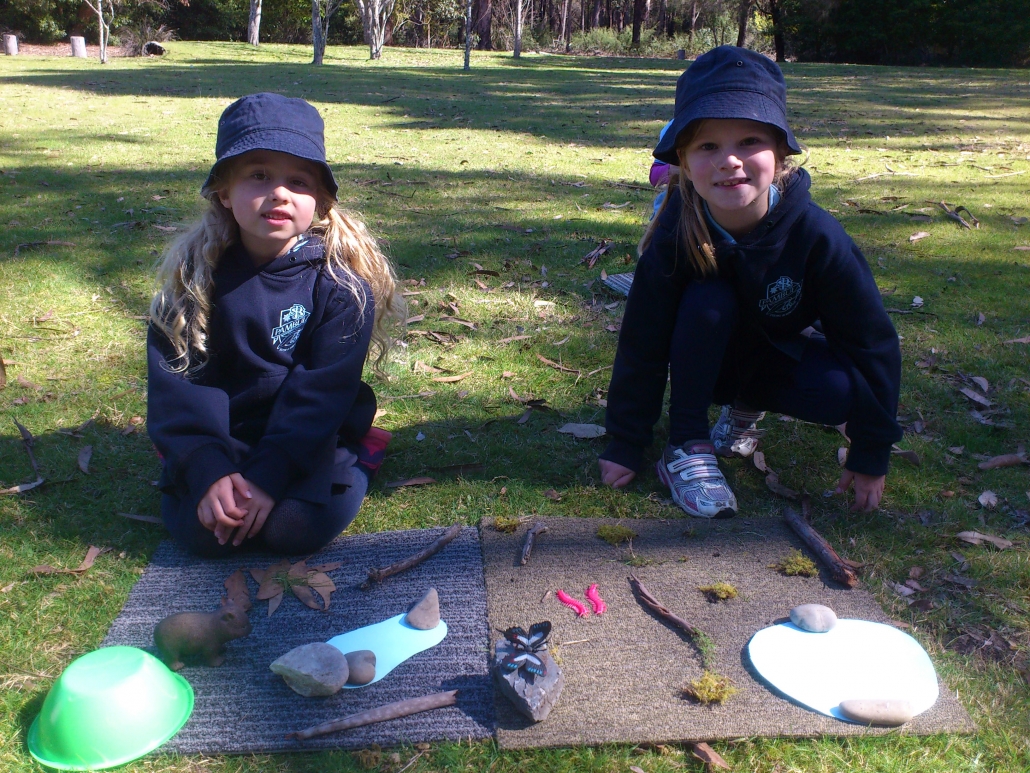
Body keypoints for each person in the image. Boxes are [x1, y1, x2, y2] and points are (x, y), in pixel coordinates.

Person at [598, 46, 901, 518]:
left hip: (767, 358)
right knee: (710, 298)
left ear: (780, 151)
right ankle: (687, 444)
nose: (729, 161)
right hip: (702, 358)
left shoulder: (817, 236)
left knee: (844, 389)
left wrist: (872, 446)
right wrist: (625, 440)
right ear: (683, 158)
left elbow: (871, 341)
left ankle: (742, 412)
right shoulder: (677, 232)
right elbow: (643, 341)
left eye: (748, 142)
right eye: (707, 146)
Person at [147, 93, 401, 557]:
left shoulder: (341, 288)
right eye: (258, 175)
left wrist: (268, 477)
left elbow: (321, 394)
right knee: (205, 535)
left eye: (298, 180)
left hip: (307, 438)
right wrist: (208, 471)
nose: (279, 192)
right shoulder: (193, 284)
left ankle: (363, 455)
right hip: (226, 436)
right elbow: (177, 394)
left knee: (290, 531)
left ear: (321, 201)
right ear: (224, 191)